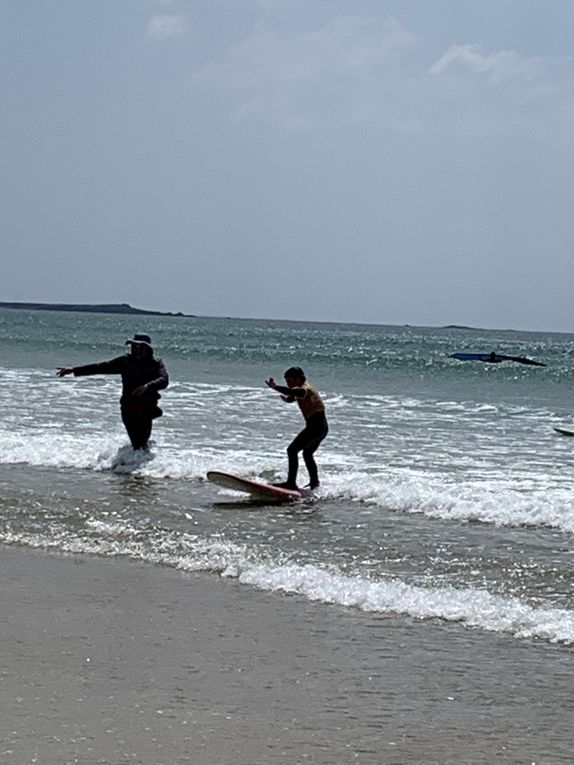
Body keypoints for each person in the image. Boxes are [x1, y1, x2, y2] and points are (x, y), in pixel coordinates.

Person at [57, 333, 169, 451]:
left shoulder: (156, 364)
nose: (137, 349)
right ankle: (130, 465)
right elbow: (100, 367)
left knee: (141, 443)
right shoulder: (125, 361)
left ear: (148, 349)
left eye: (141, 347)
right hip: (128, 408)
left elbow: (164, 380)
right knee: (138, 444)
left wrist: (147, 386)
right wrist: (74, 370)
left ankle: (137, 466)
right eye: (134, 346)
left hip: (147, 409)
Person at [265, 366, 328, 490]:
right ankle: (314, 484)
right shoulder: (302, 390)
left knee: (292, 450)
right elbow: (292, 396)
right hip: (322, 428)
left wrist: (275, 387)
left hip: (316, 427)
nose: (288, 384)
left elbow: (295, 393)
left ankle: (291, 483)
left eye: (290, 381)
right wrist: (287, 400)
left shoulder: (304, 389)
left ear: (298, 379)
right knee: (307, 454)